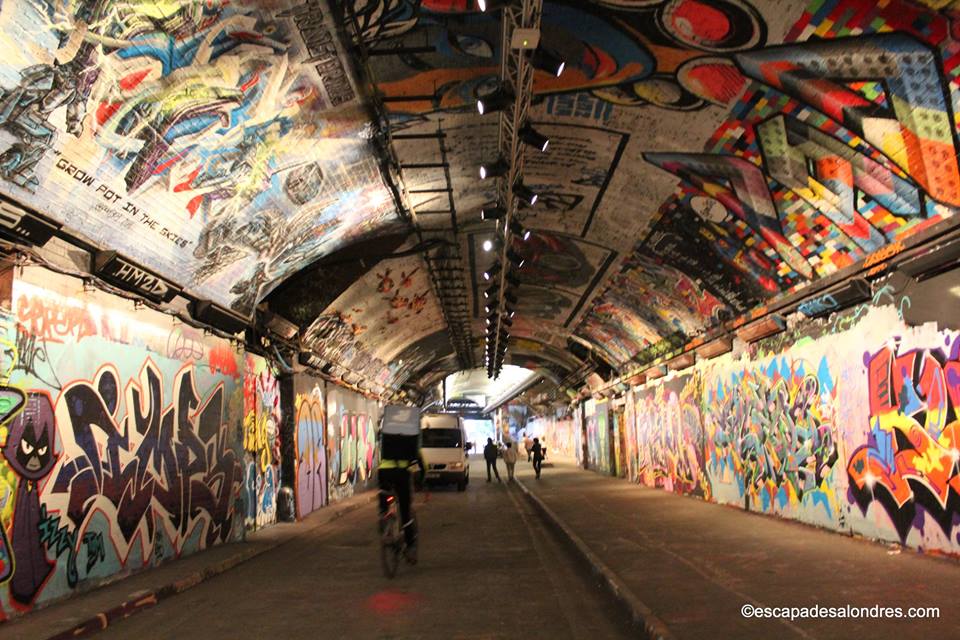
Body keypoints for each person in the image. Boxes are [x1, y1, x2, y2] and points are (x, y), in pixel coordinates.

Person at [377, 406, 422, 559]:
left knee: (385, 496)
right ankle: (410, 546)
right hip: (401, 474)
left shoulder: (388, 435)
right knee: (405, 510)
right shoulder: (411, 439)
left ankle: (384, 518)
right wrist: (422, 478)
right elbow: (421, 462)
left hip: (384, 472)